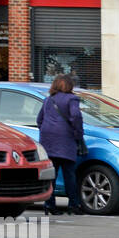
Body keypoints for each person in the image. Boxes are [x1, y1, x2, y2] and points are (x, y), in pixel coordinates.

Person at [38, 74, 86, 215]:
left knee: (51, 175)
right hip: (65, 140)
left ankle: (49, 205)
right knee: (69, 175)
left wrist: (46, 131)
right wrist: (78, 134)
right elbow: (76, 116)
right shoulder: (72, 99)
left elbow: (39, 119)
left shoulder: (48, 100)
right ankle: (73, 205)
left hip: (48, 140)